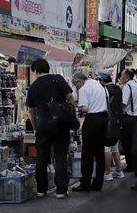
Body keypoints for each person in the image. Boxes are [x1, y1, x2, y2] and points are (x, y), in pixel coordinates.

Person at [26, 58, 75, 199]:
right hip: (60, 123)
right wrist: (73, 112)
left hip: (42, 124)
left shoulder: (33, 86)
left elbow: (31, 111)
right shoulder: (57, 79)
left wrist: (35, 128)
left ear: (35, 70)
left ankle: (41, 190)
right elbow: (70, 96)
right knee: (60, 155)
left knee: (42, 156)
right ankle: (61, 191)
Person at [72, 73, 108, 192]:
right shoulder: (100, 86)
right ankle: (98, 183)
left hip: (92, 120)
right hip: (103, 118)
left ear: (79, 81)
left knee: (87, 152)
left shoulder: (84, 89)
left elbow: (85, 108)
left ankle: (85, 182)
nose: (76, 87)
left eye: (75, 84)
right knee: (99, 152)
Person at [97, 70, 124, 181]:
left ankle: (107, 172)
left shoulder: (105, 90)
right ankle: (119, 170)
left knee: (106, 148)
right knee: (114, 147)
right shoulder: (118, 88)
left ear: (102, 80)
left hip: (108, 120)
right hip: (117, 119)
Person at [119, 69, 137, 173]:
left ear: (127, 78)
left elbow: (123, 103)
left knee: (127, 142)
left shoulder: (127, 87)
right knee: (135, 142)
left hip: (128, 118)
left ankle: (130, 164)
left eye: (122, 76)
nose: (120, 78)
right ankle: (136, 163)